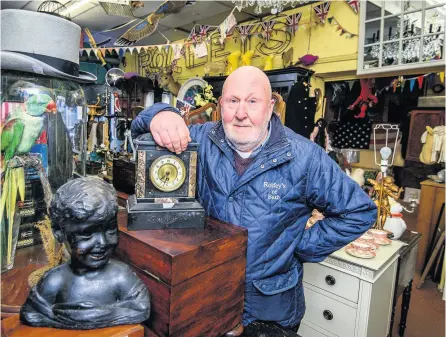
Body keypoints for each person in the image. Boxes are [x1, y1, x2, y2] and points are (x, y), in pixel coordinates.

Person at [131, 66, 377, 336]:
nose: (241, 113)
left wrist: (298, 247)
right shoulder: (198, 140)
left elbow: (359, 212)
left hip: (270, 307)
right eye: (233, 101)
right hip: (207, 297)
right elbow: (140, 132)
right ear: (220, 104)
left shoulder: (306, 158)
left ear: (270, 106)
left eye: (252, 101)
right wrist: (161, 114)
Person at [20, 177, 151, 330]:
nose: (102, 242)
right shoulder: (53, 282)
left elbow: (141, 309)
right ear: (59, 232)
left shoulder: (122, 277)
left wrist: (89, 316)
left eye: (110, 229)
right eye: (86, 234)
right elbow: (30, 314)